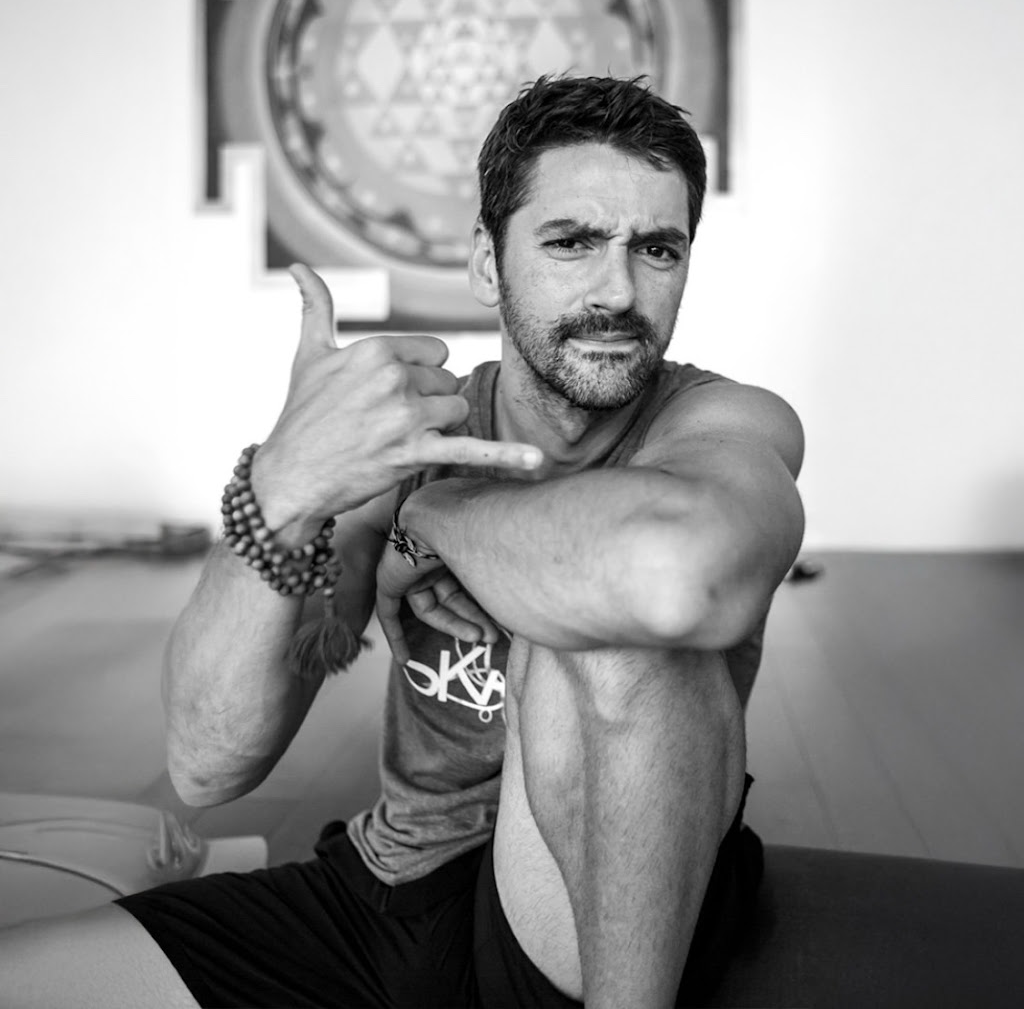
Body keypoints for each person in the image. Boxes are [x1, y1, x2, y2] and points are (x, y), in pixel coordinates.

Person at [0, 74, 803, 1008]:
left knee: (609, 616)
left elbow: (672, 577)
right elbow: (208, 761)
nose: (619, 289)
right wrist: (285, 483)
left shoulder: (718, 424)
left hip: (593, 916)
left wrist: (438, 513)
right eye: (572, 242)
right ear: (488, 264)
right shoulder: (414, 436)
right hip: (394, 883)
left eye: (657, 249)